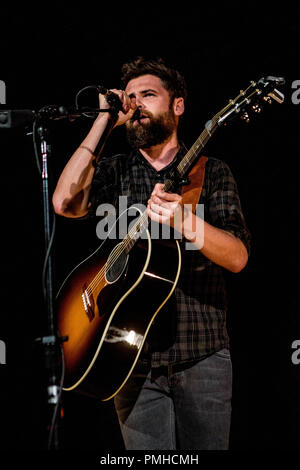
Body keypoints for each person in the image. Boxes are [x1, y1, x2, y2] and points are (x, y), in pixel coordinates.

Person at [52, 56, 251, 450]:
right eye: (130, 98)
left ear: (177, 105)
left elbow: (238, 257)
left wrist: (184, 221)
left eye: (148, 95)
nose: (137, 104)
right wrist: (104, 120)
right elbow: (63, 202)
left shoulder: (212, 172)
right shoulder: (113, 170)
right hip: (130, 360)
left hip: (202, 357)